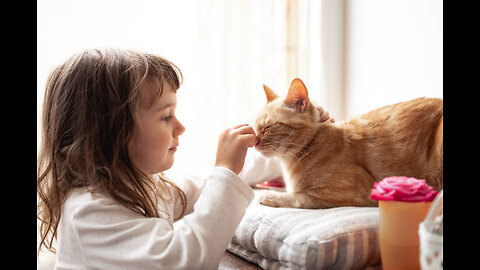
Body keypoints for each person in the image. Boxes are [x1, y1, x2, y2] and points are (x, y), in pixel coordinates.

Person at [37, 48, 333, 269]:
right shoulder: (89, 214)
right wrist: (225, 171)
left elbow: (201, 187)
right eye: (166, 117)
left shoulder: (138, 187)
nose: (180, 127)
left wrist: (300, 146)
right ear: (111, 134)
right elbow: (188, 259)